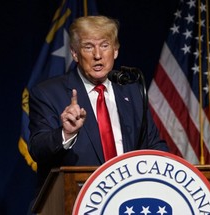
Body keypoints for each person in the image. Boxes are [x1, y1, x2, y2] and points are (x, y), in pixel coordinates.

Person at [28, 15, 169, 189]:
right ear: (74, 53)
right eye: (88, 47)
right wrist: (66, 133)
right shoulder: (48, 93)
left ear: (115, 50)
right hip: (76, 198)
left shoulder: (132, 91)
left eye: (104, 45)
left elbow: (153, 144)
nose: (97, 55)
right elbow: (37, 149)